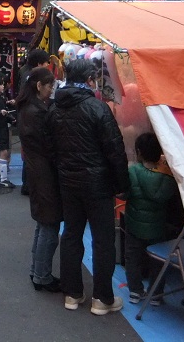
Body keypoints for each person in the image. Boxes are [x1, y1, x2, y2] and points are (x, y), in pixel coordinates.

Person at [47, 59, 129, 315]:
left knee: (71, 234)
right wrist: (122, 184)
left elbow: (49, 148)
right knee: (103, 240)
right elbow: (115, 150)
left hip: (68, 182)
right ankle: (102, 298)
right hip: (97, 184)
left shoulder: (54, 108)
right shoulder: (97, 108)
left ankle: (72, 293)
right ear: (90, 79)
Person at [15, 67, 62, 292]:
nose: (51, 89)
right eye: (49, 85)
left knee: (43, 223)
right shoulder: (37, 112)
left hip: (35, 169)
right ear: (38, 86)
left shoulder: (27, 108)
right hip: (44, 171)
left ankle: (38, 270)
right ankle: (42, 275)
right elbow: (49, 145)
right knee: (49, 224)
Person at [124, 132, 178, 305]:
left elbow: (124, 194)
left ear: (139, 152)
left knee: (133, 258)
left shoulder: (132, 171)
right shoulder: (168, 176)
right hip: (158, 227)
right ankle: (156, 293)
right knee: (158, 259)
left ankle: (135, 291)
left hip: (134, 226)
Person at [16, 49, 51, 196]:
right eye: (46, 63)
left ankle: (27, 184)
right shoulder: (31, 77)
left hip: (24, 119)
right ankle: (27, 185)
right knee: (30, 154)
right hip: (29, 123)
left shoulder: (26, 74)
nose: (48, 66)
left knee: (27, 153)